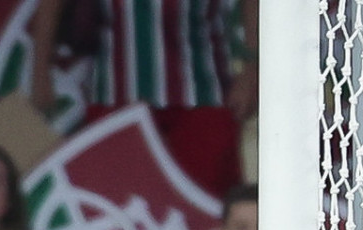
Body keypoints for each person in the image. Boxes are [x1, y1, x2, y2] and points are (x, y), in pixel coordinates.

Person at [27, 0, 257, 199]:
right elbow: (50, 5)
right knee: (119, 208)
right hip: (118, 96)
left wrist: (252, 68)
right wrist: (40, 74)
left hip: (203, 91)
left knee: (207, 207)